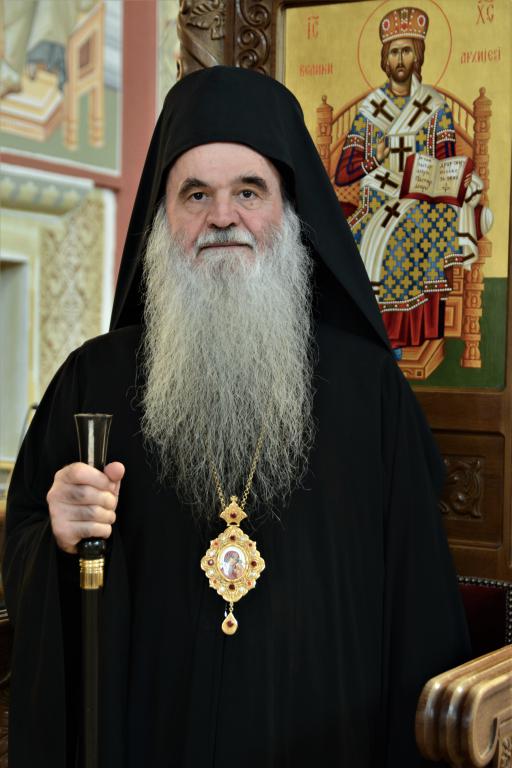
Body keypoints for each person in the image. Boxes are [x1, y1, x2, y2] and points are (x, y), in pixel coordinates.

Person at [4, 65, 470, 767]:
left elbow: (419, 611)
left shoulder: (370, 390)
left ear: (290, 212)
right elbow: (28, 557)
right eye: (196, 194)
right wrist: (59, 538)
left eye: (248, 192)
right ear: (162, 218)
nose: (222, 217)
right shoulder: (92, 380)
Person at [335, 6, 491, 353]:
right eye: (393, 51)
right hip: (378, 197)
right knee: (363, 237)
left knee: (406, 235)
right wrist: (373, 157)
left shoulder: (434, 107)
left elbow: (447, 159)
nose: (400, 58)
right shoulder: (371, 109)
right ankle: (369, 334)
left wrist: (451, 178)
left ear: (417, 55)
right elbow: (343, 172)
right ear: (385, 59)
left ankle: (401, 337)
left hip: (422, 198)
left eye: (407, 50)